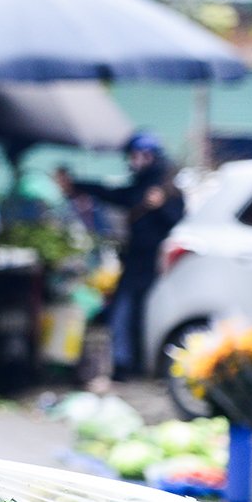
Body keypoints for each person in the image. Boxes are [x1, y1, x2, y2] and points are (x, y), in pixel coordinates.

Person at [57, 132, 183, 379]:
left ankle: (140, 365)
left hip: (158, 265)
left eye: (141, 156)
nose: (136, 161)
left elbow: (178, 223)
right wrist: (77, 186)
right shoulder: (139, 188)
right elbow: (113, 194)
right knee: (124, 313)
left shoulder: (169, 190)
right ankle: (124, 365)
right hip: (134, 262)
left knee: (140, 313)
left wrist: (161, 206)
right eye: (133, 156)